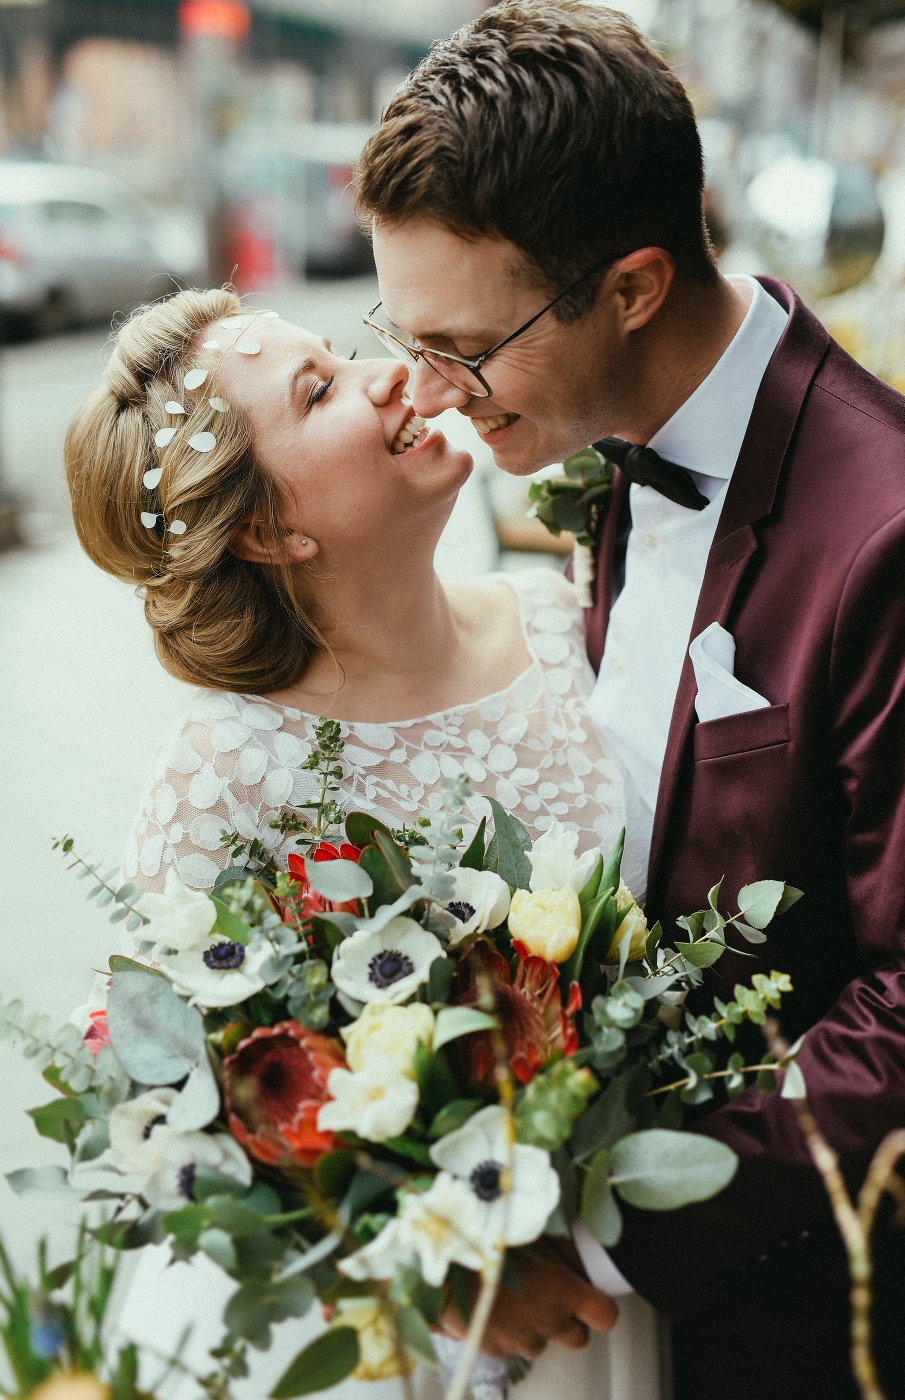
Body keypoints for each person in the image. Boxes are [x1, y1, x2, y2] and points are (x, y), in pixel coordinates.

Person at [353, 2, 905, 1398]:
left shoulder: (895, 529)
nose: (431, 396)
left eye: (466, 346)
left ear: (627, 287)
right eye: (402, 329)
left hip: (793, 1311)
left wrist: (602, 1237)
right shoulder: (608, 434)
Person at [64, 286, 662, 1398]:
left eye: (342, 352)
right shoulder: (224, 771)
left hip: (614, 1275)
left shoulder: (556, 615)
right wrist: (424, 1251)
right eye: (320, 389)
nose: (390, 370)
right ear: (265, 528)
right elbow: (173, 1109)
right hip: (393, 1335)